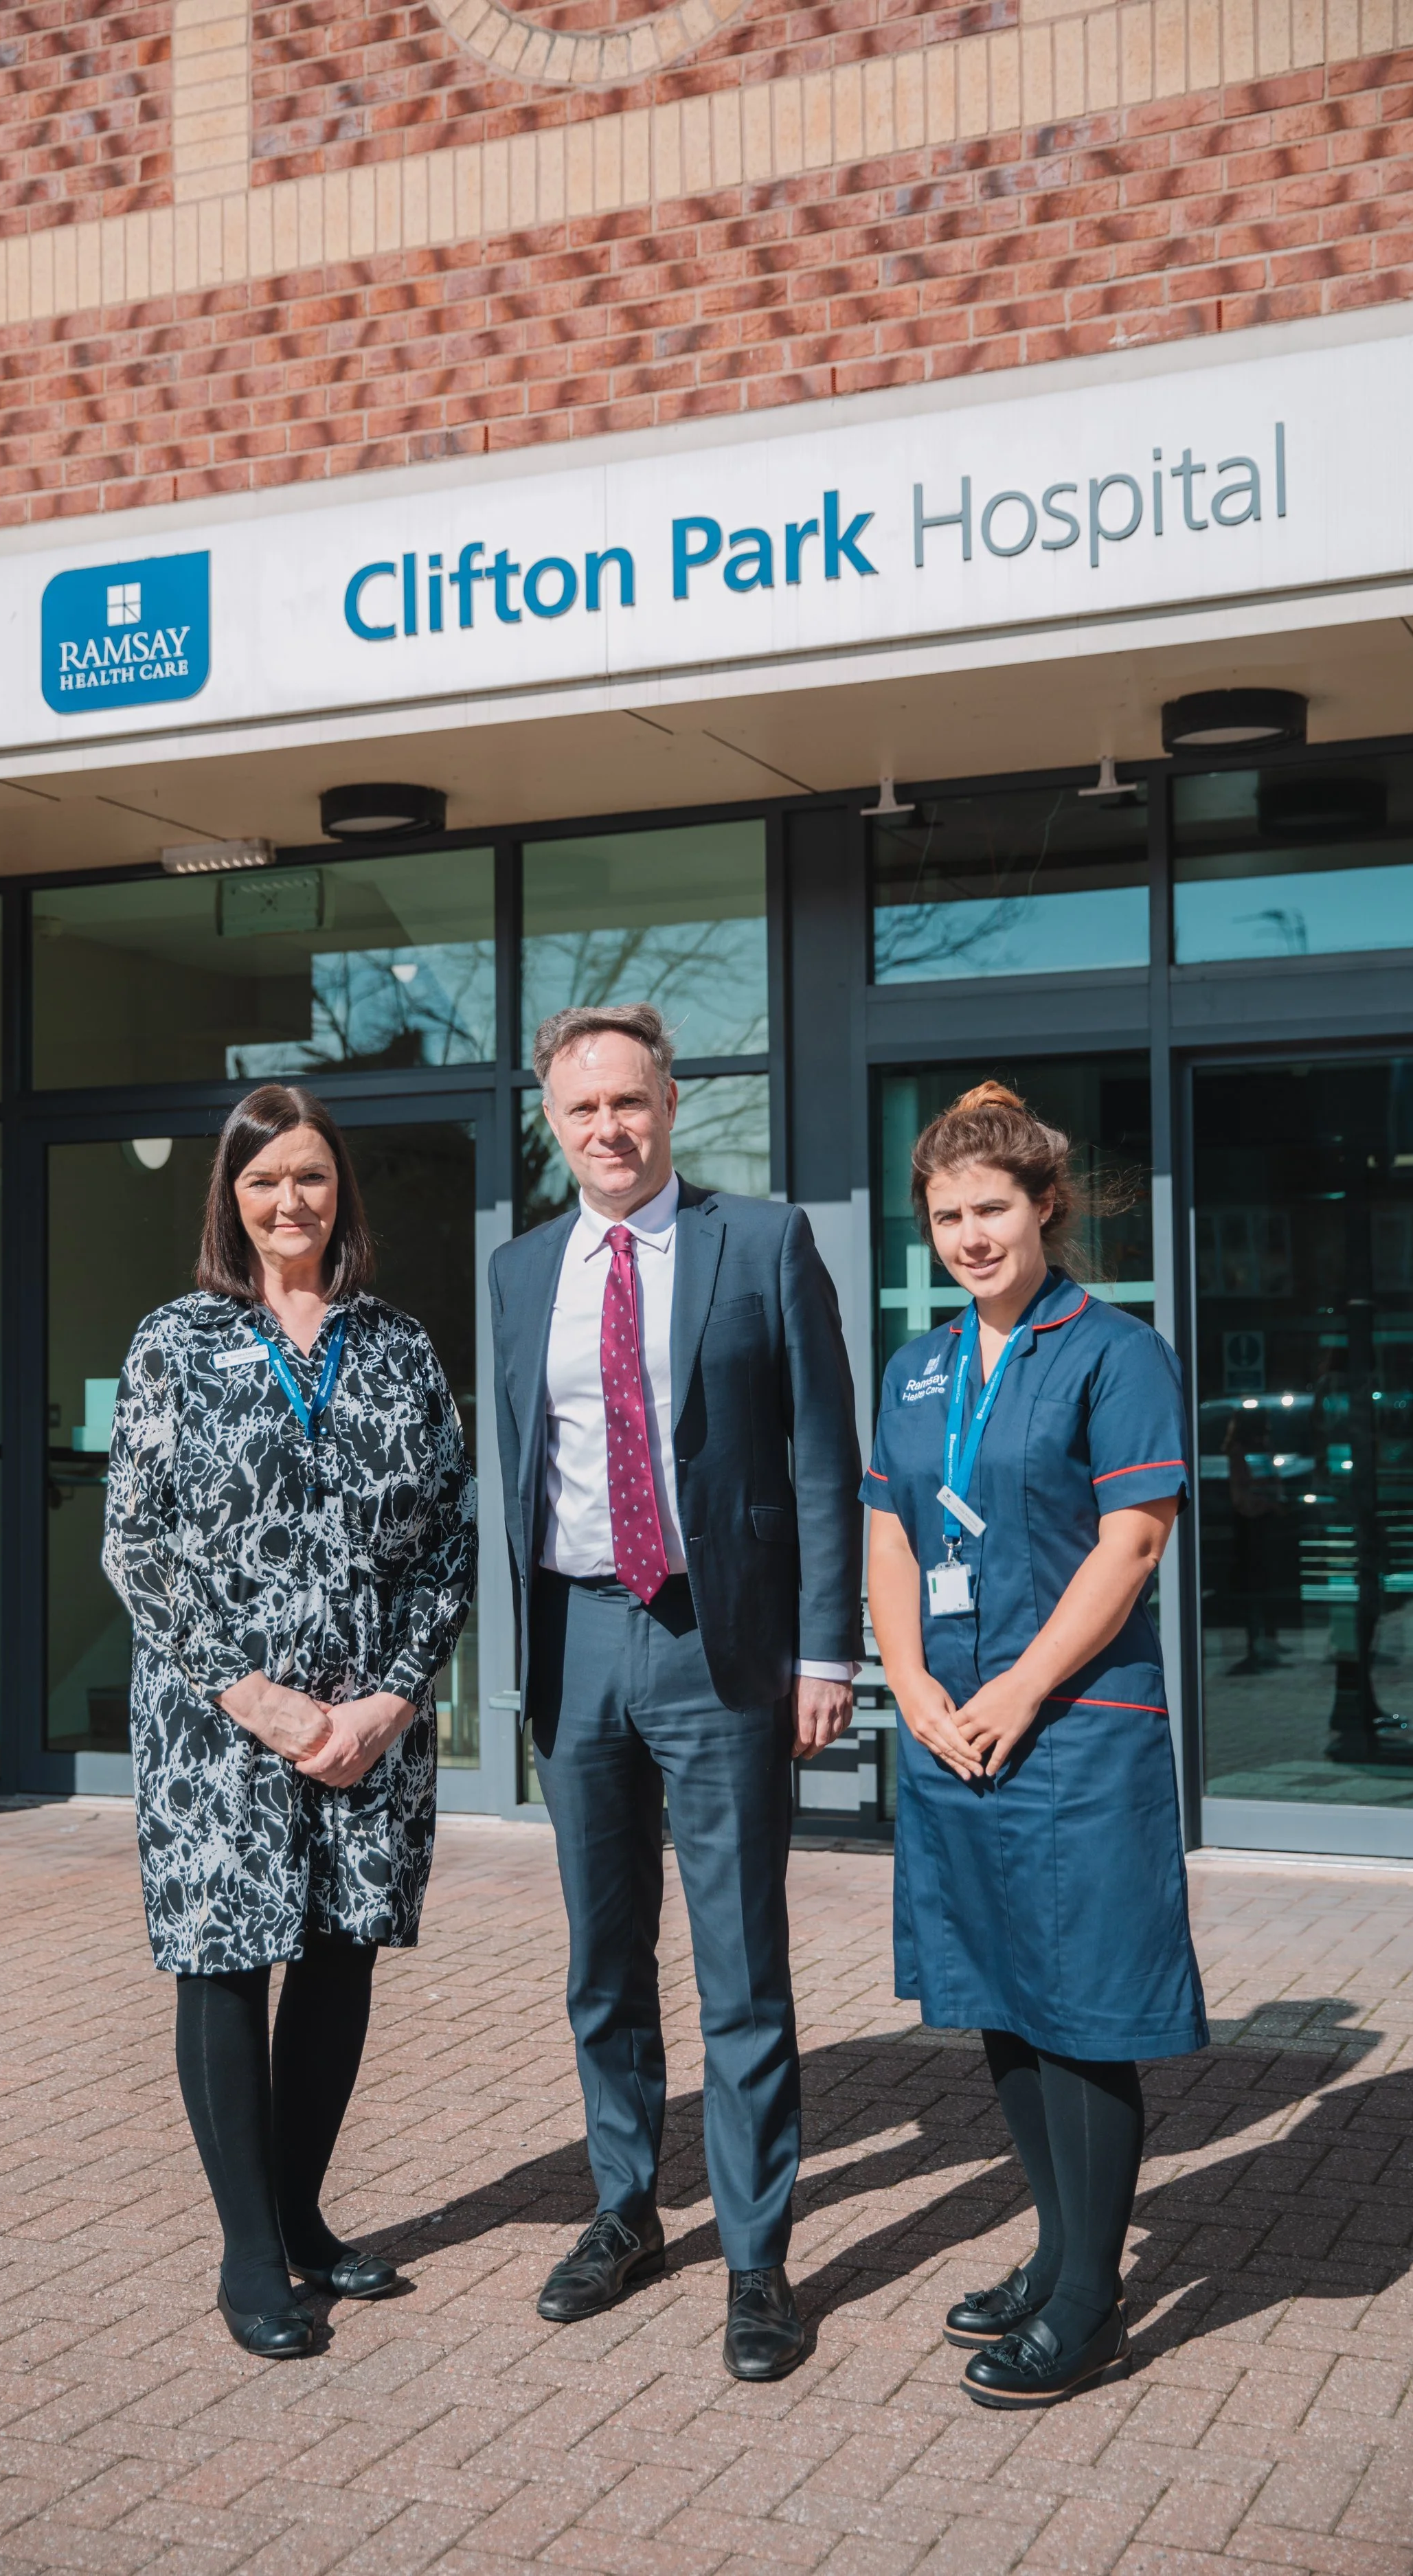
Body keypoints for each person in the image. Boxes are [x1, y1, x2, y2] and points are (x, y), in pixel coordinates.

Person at [489, 1004, 865, 2382]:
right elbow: (518, 1470)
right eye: (582, 1108)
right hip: (578, 1636)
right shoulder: (519, 1270)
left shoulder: (758, 1243)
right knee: (602, 1960)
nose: (608, 1128)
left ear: (669, 1107)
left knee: (739, 1967)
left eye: (629, 1103)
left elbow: (824, 1455)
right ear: (552, 1120)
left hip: (722, 1643)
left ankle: (758, 2262)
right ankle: (623, 2208)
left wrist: (829, 1654)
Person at [104, 1083, 476, 2358]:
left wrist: (390, 1697)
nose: (289, 1202)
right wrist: (251, 1696)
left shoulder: (399, 1348)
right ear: (232, 1198)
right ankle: (251, 2256)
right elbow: (136, 1544)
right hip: (221, 1732)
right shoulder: (171, 1343)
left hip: (366, 1729)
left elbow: (449, 1545)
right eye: (264, 1181)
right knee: (224, 1961)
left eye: (310, 1177)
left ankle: (305, 2217)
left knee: (336, 1957)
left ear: (340, 1191)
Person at [864, 1082, 1206, 2410]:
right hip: (954, 1732)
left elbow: (1133, 1543)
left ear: (1046, 1205)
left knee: (1084, 2015)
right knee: (1001, 1996)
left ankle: (1089, 2299)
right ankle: (1059, 2249)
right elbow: (891, 1532)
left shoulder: (1117, 1350)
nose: (969, 1235)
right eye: (947, 1216)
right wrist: (908, 1679)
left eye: (992, 1208)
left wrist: (1016, 1684)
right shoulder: (921, 1364)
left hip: (1071, 1732)